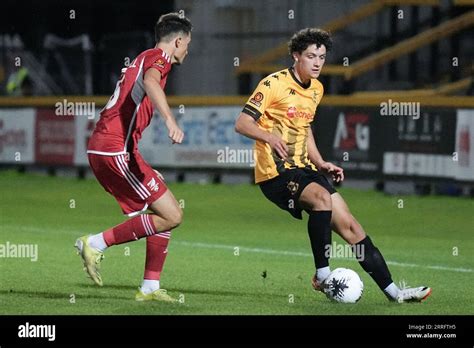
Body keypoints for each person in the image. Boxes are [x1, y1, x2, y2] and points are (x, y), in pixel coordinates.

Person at [235, 28, 431, 303]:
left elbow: (305, 129)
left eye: (322, 57)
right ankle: (323, 275)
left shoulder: (316, 88)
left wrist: (320, 162)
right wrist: (269, 136)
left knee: (351, 226)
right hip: (275, 172)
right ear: (295, 56)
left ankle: (395, 293)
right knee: (321, 199)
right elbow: (242, 123)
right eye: (311, 56)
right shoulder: (273, 84)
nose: (317, 62)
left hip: (305, 168)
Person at [75, 13, 192, 302]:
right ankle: (95, 243)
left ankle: (150, 287)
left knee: (167, 211)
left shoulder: (143, 57)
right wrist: (170, 120)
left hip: (113, 149)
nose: (188, 48)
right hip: (113, 150)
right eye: (188, 42)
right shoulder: (158, 59)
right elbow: (152, 84)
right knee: (173, 215)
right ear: (178, 41)